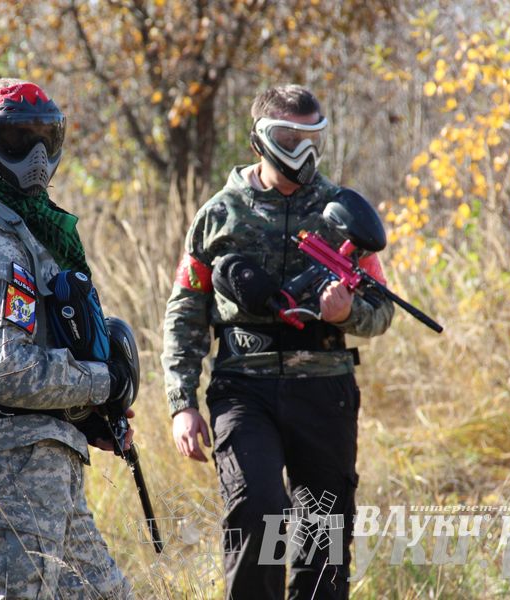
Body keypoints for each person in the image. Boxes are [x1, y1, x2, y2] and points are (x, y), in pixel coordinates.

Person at [161, 84, 394, 599]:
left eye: (313, 136)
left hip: (325, 391)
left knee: (324, 536)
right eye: (289, 137)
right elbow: (185, 313)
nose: (303, 151)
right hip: (243, 387)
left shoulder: (343, 213)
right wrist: (182, 402)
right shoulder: (219, 214)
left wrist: (347, 311)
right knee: (258, 512)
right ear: (259, 141)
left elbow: (382, 312)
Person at [0, 78, 133, 599]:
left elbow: (33, 345)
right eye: (18, 139)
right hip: (7, 456)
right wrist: (103, 383)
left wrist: (88, 414)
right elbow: (11, 375)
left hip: (38, 451)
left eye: (47, 138)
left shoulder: (19, 227)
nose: (36, 156)